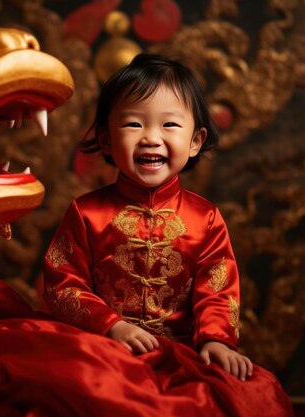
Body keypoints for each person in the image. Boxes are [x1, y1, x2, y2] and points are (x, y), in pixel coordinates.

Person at [44, 53, 251, 381]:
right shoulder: (86, 213)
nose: (151, 137)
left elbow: (218, 289)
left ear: (196, 141)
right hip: (100, 352)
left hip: (180, 358)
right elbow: (62, 284)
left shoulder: (206, 218)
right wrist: (112, 326)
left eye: (169, 124)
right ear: (106, 140)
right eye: (133, 123)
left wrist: (216, 340)